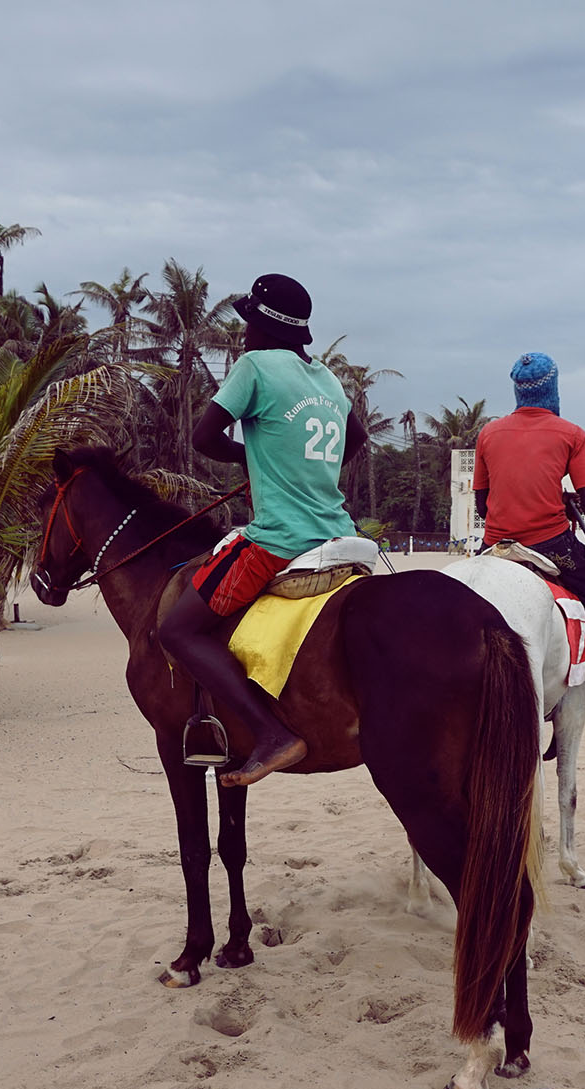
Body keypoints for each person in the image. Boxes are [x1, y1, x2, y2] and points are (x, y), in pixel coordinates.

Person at [156, 273, 367, 788]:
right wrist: (288, 462)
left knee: (176, 630)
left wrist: (252, 458)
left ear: (262, 326)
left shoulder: (253, 367)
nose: (243, 334)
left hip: (279, 539)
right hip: (338, 535)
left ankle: (271, 734)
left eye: (248, 322)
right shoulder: (328, 380)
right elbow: (356, 440)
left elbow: (204, 437)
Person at [472, 352, 585, 734]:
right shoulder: (571, 434)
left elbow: (481, 502)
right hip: (550, 545)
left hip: (495, 545)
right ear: (552, 389)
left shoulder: (488, 433)